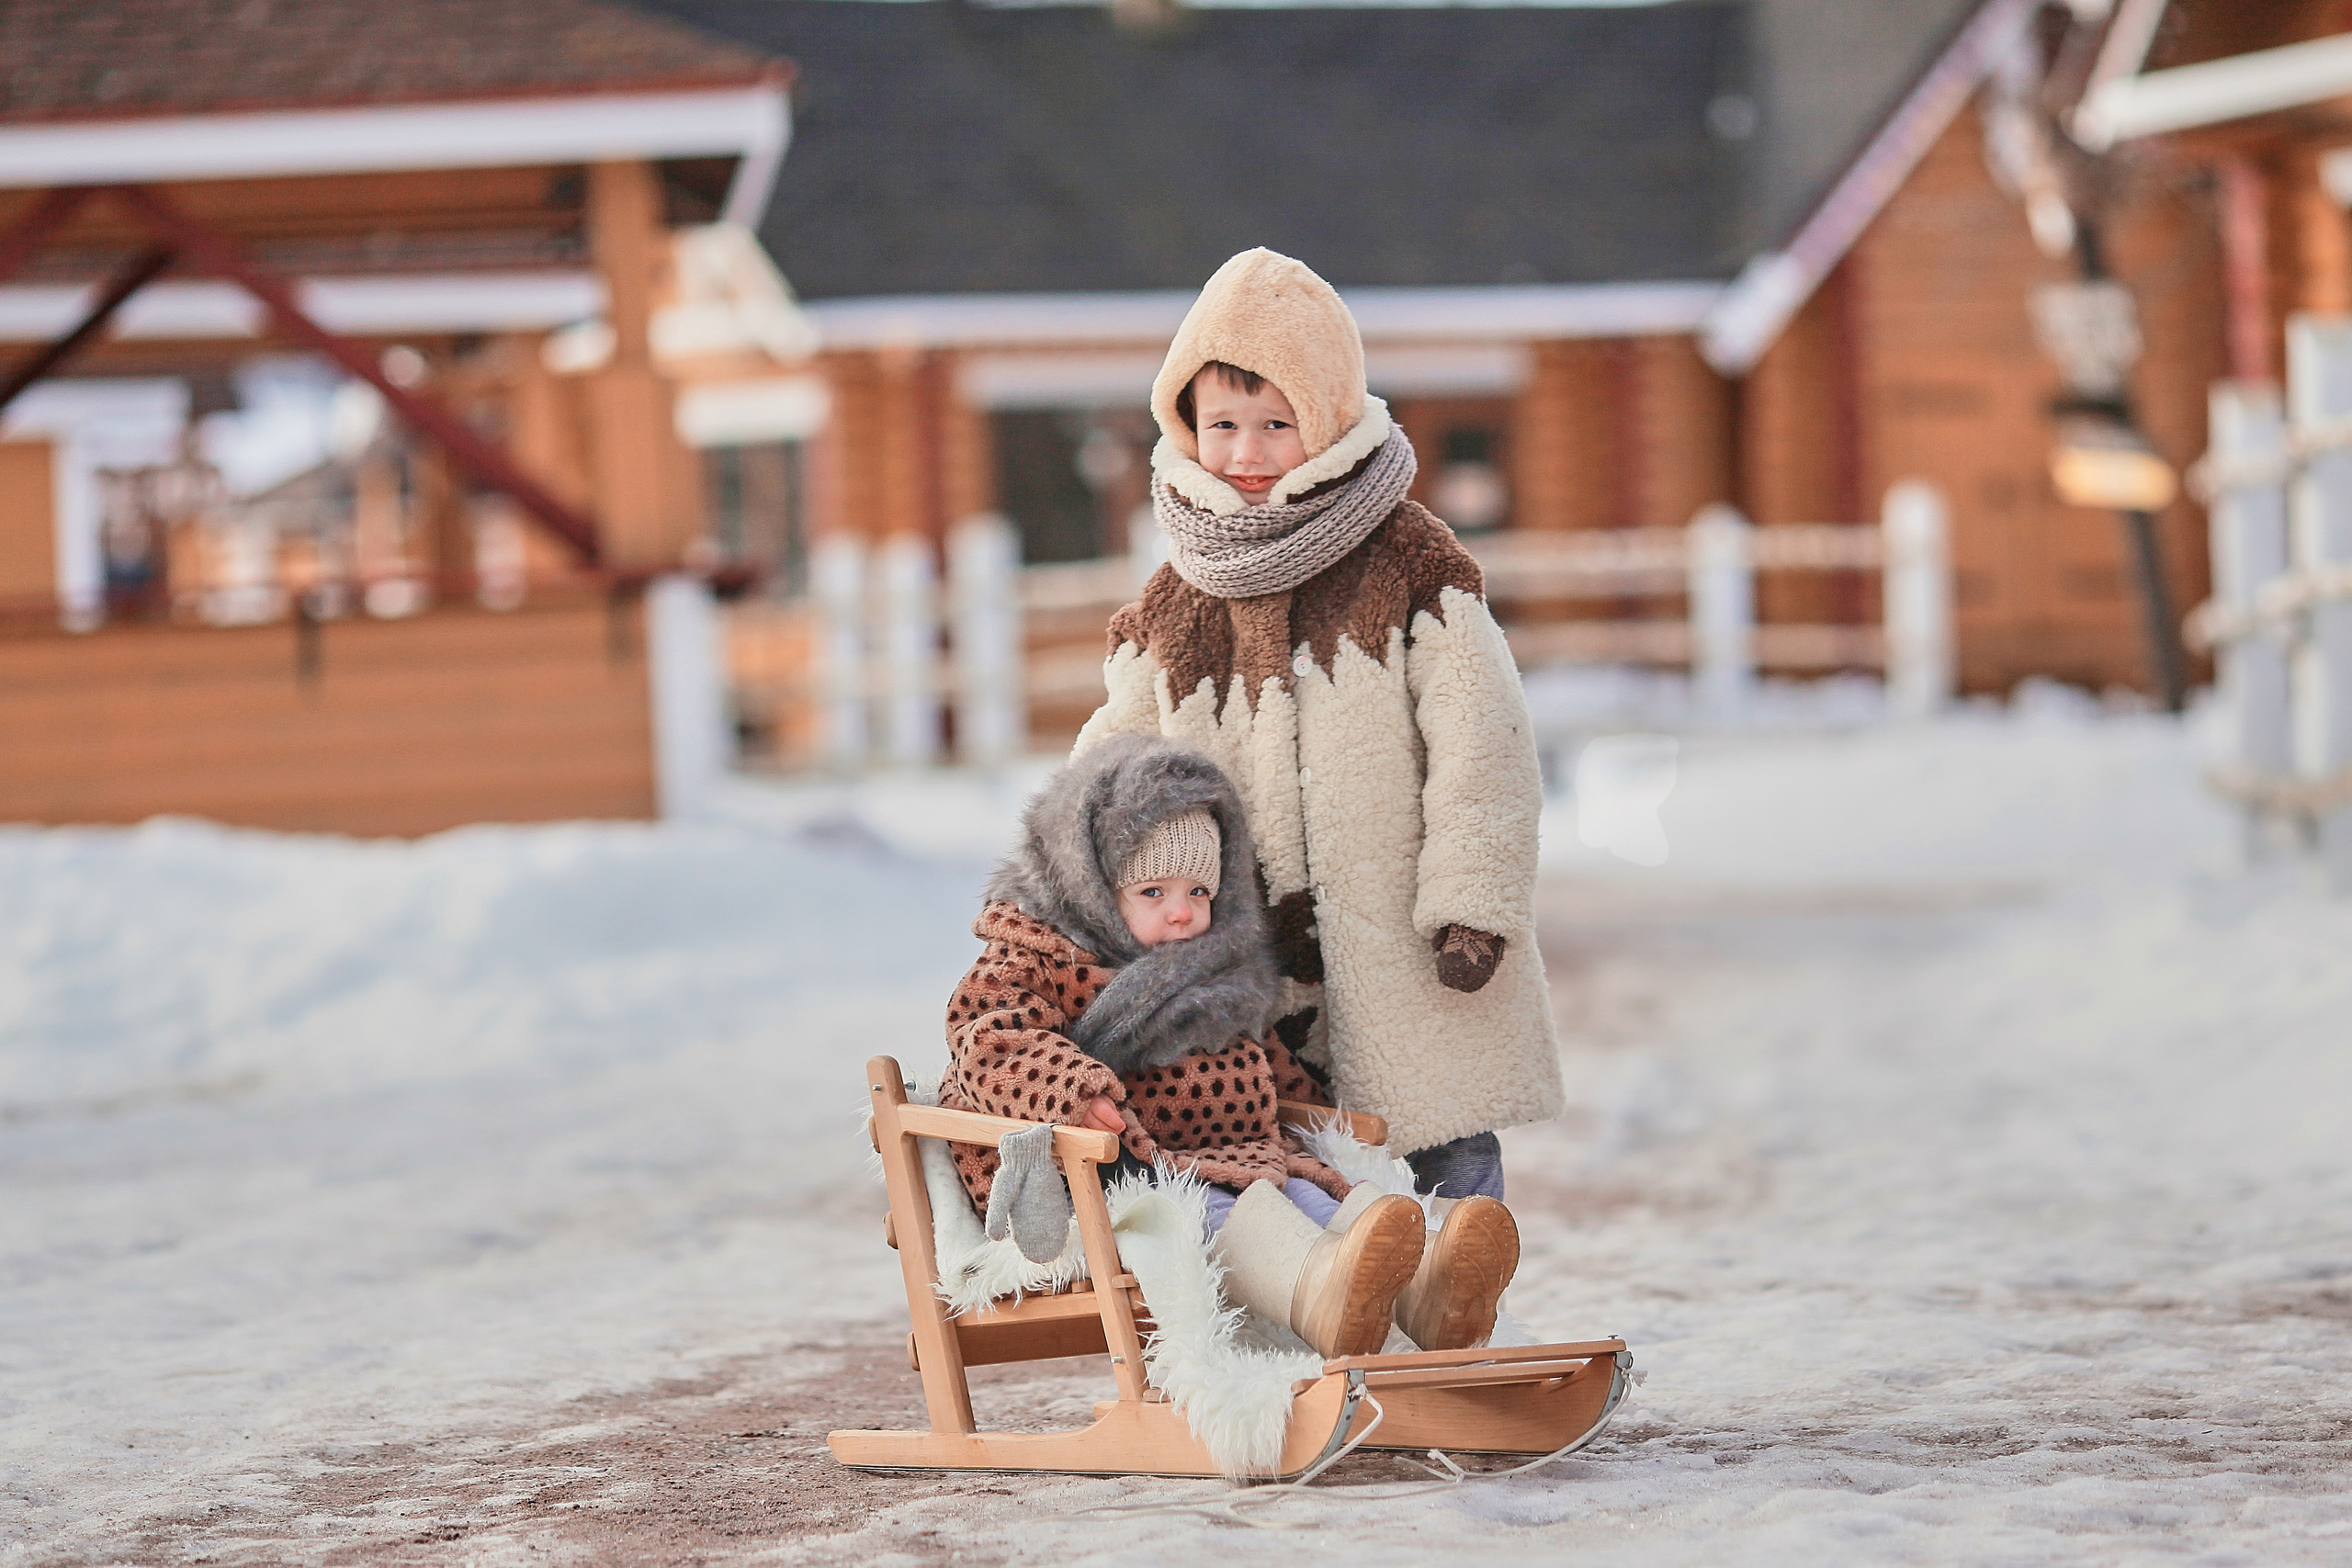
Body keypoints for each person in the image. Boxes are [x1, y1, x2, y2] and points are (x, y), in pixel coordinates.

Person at [1075, 247, 1566, 1203]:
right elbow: (1114, 761)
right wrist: (1092, 888)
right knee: (1292, 1156)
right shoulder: (1176, 602)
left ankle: (1465, 1263)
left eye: (1277, 423)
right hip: (1249, 953)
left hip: (1410, 939)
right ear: (1185, 425)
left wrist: (1471, 899)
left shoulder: (1411, 563)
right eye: (1222, 425)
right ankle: (1342, 1280)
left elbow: (1482, 740)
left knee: (1443, 1131)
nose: (1246, 454)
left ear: (1330, 418)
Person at [941, 734, 1519, 1357]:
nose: (1183, 913)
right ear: (1093, 888)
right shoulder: (1033, 955)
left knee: (1312, 1194)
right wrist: (1071, 1089)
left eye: (1198, 892)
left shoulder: (1215, 966)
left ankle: (1425, 1285)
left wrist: (1313, 1117)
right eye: (1153, 892)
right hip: (1118, 1168)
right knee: (1228, 1215)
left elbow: (1264, 1061)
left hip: (1238, 1153)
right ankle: (1319, 1292)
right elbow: (988, 1035)